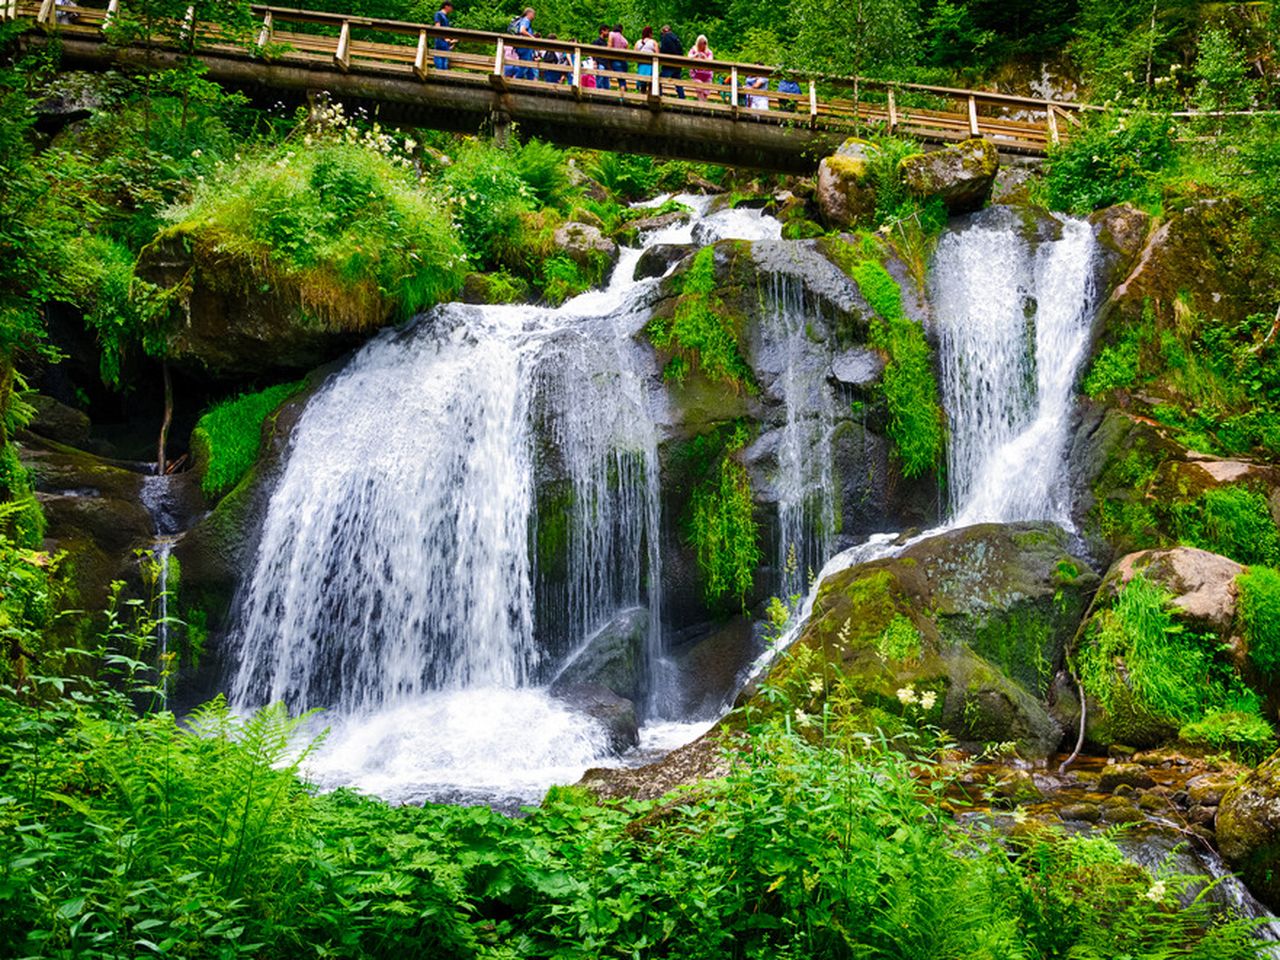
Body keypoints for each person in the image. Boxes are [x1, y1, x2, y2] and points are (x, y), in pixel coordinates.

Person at [658, 24, 684, 99]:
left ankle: (659, 97)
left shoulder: (666, 37)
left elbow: (664, 50)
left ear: (664, 31)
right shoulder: (676, 38)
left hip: (669, 64)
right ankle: (682, 99)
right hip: (678, 64)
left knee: (658, 80)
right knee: (678, 82)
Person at [510, 7, 536, 81]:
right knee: (525, 65)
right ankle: (515, 80)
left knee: (529, 66)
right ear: (529, 13)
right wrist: (532, 37)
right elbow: (522, 30)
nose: (534, 16)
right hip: (524, 47)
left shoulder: (523, 20)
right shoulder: (526, 20)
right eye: (533, 14)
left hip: (524, 46)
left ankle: (531, 83)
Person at [432, 1, 455, 71]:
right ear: (446, 6)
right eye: (451, 7)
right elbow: (437, 27)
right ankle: (439, 75)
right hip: (440, 40)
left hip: (445, 42)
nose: (452, 9)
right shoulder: (438, 14)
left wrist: (450, 41)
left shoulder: (445, 17)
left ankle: (443, 76)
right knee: (439, 59)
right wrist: (444, 38)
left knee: (445, 60)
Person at [689, 34, 713, 101]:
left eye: (704, 43)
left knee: (705, 93)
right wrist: (695, 55)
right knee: (699, 90)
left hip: (707, 75)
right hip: (697, 75)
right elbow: (689, 57)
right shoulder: (693, 50)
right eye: (701, 43)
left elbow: (710, 60)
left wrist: (704, 57)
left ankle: (704, 108)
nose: (703, 45)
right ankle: (702, 107)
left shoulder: (709, 52)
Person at [608, 23, 629, 91]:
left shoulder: (611, 34)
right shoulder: (625, 40)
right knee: (623, 80)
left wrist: (608, 60)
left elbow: (609, 47)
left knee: (621, 82)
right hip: (624, 62)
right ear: (621, 30)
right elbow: (627, 52)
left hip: (616, 60)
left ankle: (622, 99)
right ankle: (624, 96)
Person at [593, 23, 611, 89]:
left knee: (607, 85)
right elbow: (593, 53)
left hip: (605, 65)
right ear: (602, 31)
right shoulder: (596, 41)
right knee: (599, 82)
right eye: (607, 31)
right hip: (599, 64)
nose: (608, 33)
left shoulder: (606, 43)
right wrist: (594, 62)